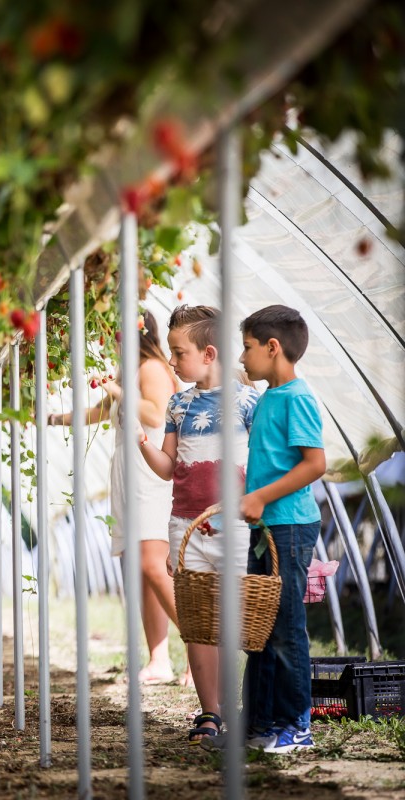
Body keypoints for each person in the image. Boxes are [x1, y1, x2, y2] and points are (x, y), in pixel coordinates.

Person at [137, 305, 259, 743]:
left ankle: (235, 705)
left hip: (236, 527)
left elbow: (261, 467)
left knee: (233, 616)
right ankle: (210, 713)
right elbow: (169, 467)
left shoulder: (248, 402)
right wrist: (144, 446)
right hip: (186, 527)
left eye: (178, 352)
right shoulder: (179, 403)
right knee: (198, 621)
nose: (172, 361)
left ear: (208, 353)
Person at [48, 310, 184, 685]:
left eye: (112, 333)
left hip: (150, 475)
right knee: (139, 568)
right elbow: (98, 412)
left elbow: (156, 416)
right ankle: (160, 658)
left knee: (154, 563)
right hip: (130, 475)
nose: (108, 341)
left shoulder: (153, 368)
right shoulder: (129, 373)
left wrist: (116, 389)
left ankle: (199, 646)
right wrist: (53, 419)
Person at [237, 305, 326, 753]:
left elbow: (315, 464)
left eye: (248, 347)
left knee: (287, 628)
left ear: (273, 348)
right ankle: (260, 723)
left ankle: (298, 724)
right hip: (268, 527)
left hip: (290, 526)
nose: (241, 357)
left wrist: (261, 497)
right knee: (262, 627)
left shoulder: (298, 398)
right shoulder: (270, 397)